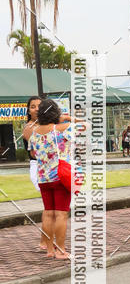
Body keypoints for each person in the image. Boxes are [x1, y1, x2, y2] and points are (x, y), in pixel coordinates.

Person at [27, 98, 78, 260]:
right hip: (60, 177)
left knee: (48, 213)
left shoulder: (34, 133)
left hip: (43, 178)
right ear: (56, 112)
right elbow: (87, 126)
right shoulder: (64, 128)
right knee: (61, 214)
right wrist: (68, 118)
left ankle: (49, 249)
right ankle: (61, 250)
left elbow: (33, 153)